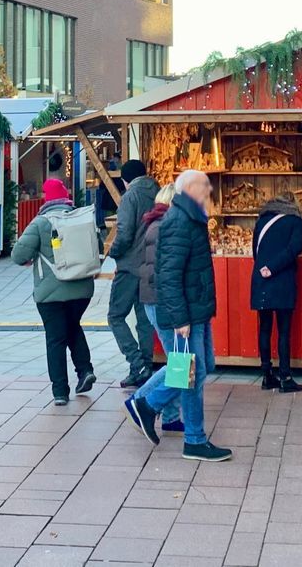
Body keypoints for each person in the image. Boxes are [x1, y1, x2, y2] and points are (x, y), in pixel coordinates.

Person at [124, 170, 233, 462]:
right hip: (186, 313)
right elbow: (169, 275)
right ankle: (178, 427)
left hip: (196, 309)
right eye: (203, 186)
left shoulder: (191, 219)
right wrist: (180, 319)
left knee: (198, 367)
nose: (208, 191)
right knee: (190, 372)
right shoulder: (178, 221)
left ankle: (153, 410)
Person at [12, 178, 97, 405]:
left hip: (51, 293)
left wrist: (31, 257)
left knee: (55, 339)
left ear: (46, 198)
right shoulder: (81, 218)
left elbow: (18, 255)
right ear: (65, 196)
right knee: (72, 327)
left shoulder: (40, 223)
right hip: (82, 289)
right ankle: (85, 370)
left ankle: (60, 391)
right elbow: (95, 246)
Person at [133, 183, 183, 436]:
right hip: (164, 304)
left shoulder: (155, 225)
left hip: (155, 301)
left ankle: (171, 417)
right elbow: (168, 274)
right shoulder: (166, 228)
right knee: (182, 362)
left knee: (179, 359)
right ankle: (141, 400)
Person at [107, 159, 160, 388]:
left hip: (129, 267)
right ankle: (144, 368)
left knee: (115, 316)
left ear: (126, 179)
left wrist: (112, 252)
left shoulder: (130, 197)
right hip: (150, 265)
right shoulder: (158, 193)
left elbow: (124, 233)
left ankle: (137, 364)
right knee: (144, 320)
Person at [251, 192, 302, 393]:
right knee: (284, 330)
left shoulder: (261, 221)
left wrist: (265, 268)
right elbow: (294, 249)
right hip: (282, 279)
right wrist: (273, 268)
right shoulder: (295, 221)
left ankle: (267, 375)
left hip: (261, 278)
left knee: (265, 327)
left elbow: (255, 251)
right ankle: (285, 376)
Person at [95, 156, 127, 246]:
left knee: (110, 222)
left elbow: (101, 186)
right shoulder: (120, 175)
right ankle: (114, 239)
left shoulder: (108, 174)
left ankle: (111, 241)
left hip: (109, 202)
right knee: (116, 221)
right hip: (116, 202)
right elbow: (122, 187)